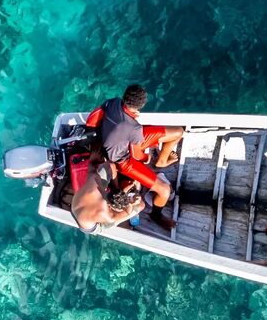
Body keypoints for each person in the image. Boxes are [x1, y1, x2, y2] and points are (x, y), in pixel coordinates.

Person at [70, 84, 184, 232]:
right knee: (164, 191)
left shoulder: (113, 102)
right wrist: (147, 158)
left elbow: (94, 117)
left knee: (176, 132)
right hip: (124, 161)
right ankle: (156, 215)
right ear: (140, 106)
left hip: (122, 141)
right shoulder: (134, 128)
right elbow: (137, 156)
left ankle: (162, 161)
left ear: (124, 97)